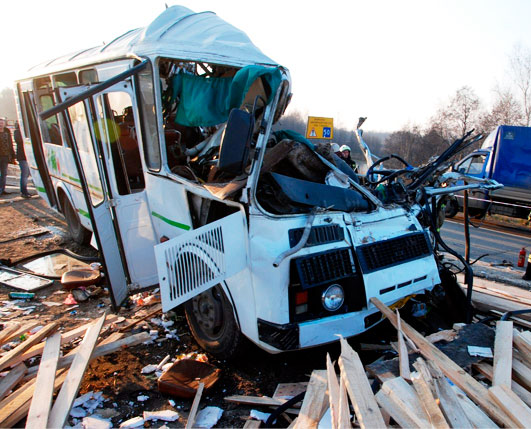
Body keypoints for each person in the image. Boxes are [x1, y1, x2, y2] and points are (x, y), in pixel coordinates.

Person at [14, 122, 31, 198]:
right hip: (22, 156)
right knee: (24, 174)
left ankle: (25, 190)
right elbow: (19, 140)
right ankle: (23, 191)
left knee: (27, 174)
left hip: (27, 156)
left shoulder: (26, 132)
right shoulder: (17, 132)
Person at [0, 117, 15, 196]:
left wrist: (12, 155)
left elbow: (10, 143)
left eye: (2, 123)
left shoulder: (7, 131)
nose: (1, 124)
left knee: (4, 173)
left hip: (5, 156)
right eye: (0, 123)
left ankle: (2, 189)